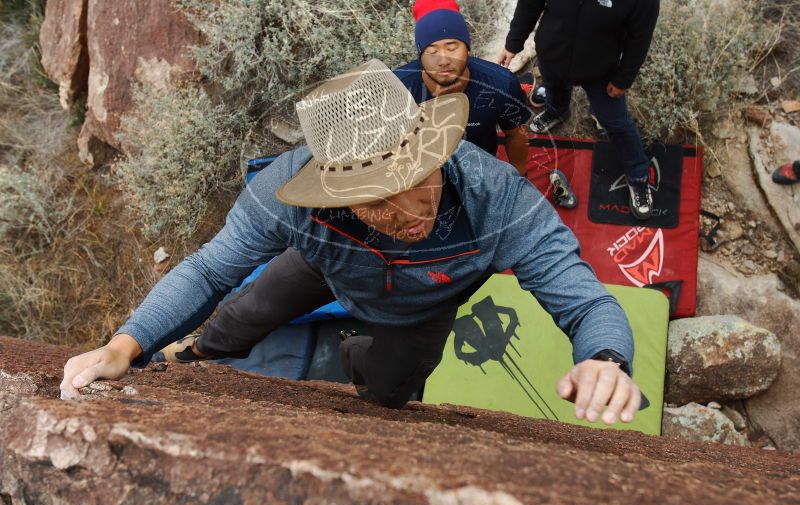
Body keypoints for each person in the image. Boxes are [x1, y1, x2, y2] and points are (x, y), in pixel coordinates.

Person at [61, 59, 641, 425]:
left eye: (417, 182)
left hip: (423, 307)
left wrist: (605, 358)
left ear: (435, 151)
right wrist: (123, 347)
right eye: (374, 198)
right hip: (325, 265)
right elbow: (211, 270)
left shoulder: (500, 199)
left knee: (391, 393)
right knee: (243, 312)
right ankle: (196, 352)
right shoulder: (283, 192)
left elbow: (586, 301)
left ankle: (355, 358)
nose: (408, 213)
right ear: (331, 190)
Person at [496, 0, 660, 220]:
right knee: (555, 88)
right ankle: (557, 111)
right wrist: (513, 43)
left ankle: (639, 177)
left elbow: (639, 37)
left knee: (616, 123)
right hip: (553, 53)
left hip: (601, 70)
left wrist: (624, 78)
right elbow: (530, 3)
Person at [394, 0, 531, 177]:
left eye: (452, 48)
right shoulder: (397, 88)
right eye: (432, 51)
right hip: (424, 174)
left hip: (481, 169)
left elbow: (516, 135)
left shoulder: (501, 84)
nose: (443, 60)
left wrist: (518, 178)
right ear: (420, 55)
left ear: (467, 48)